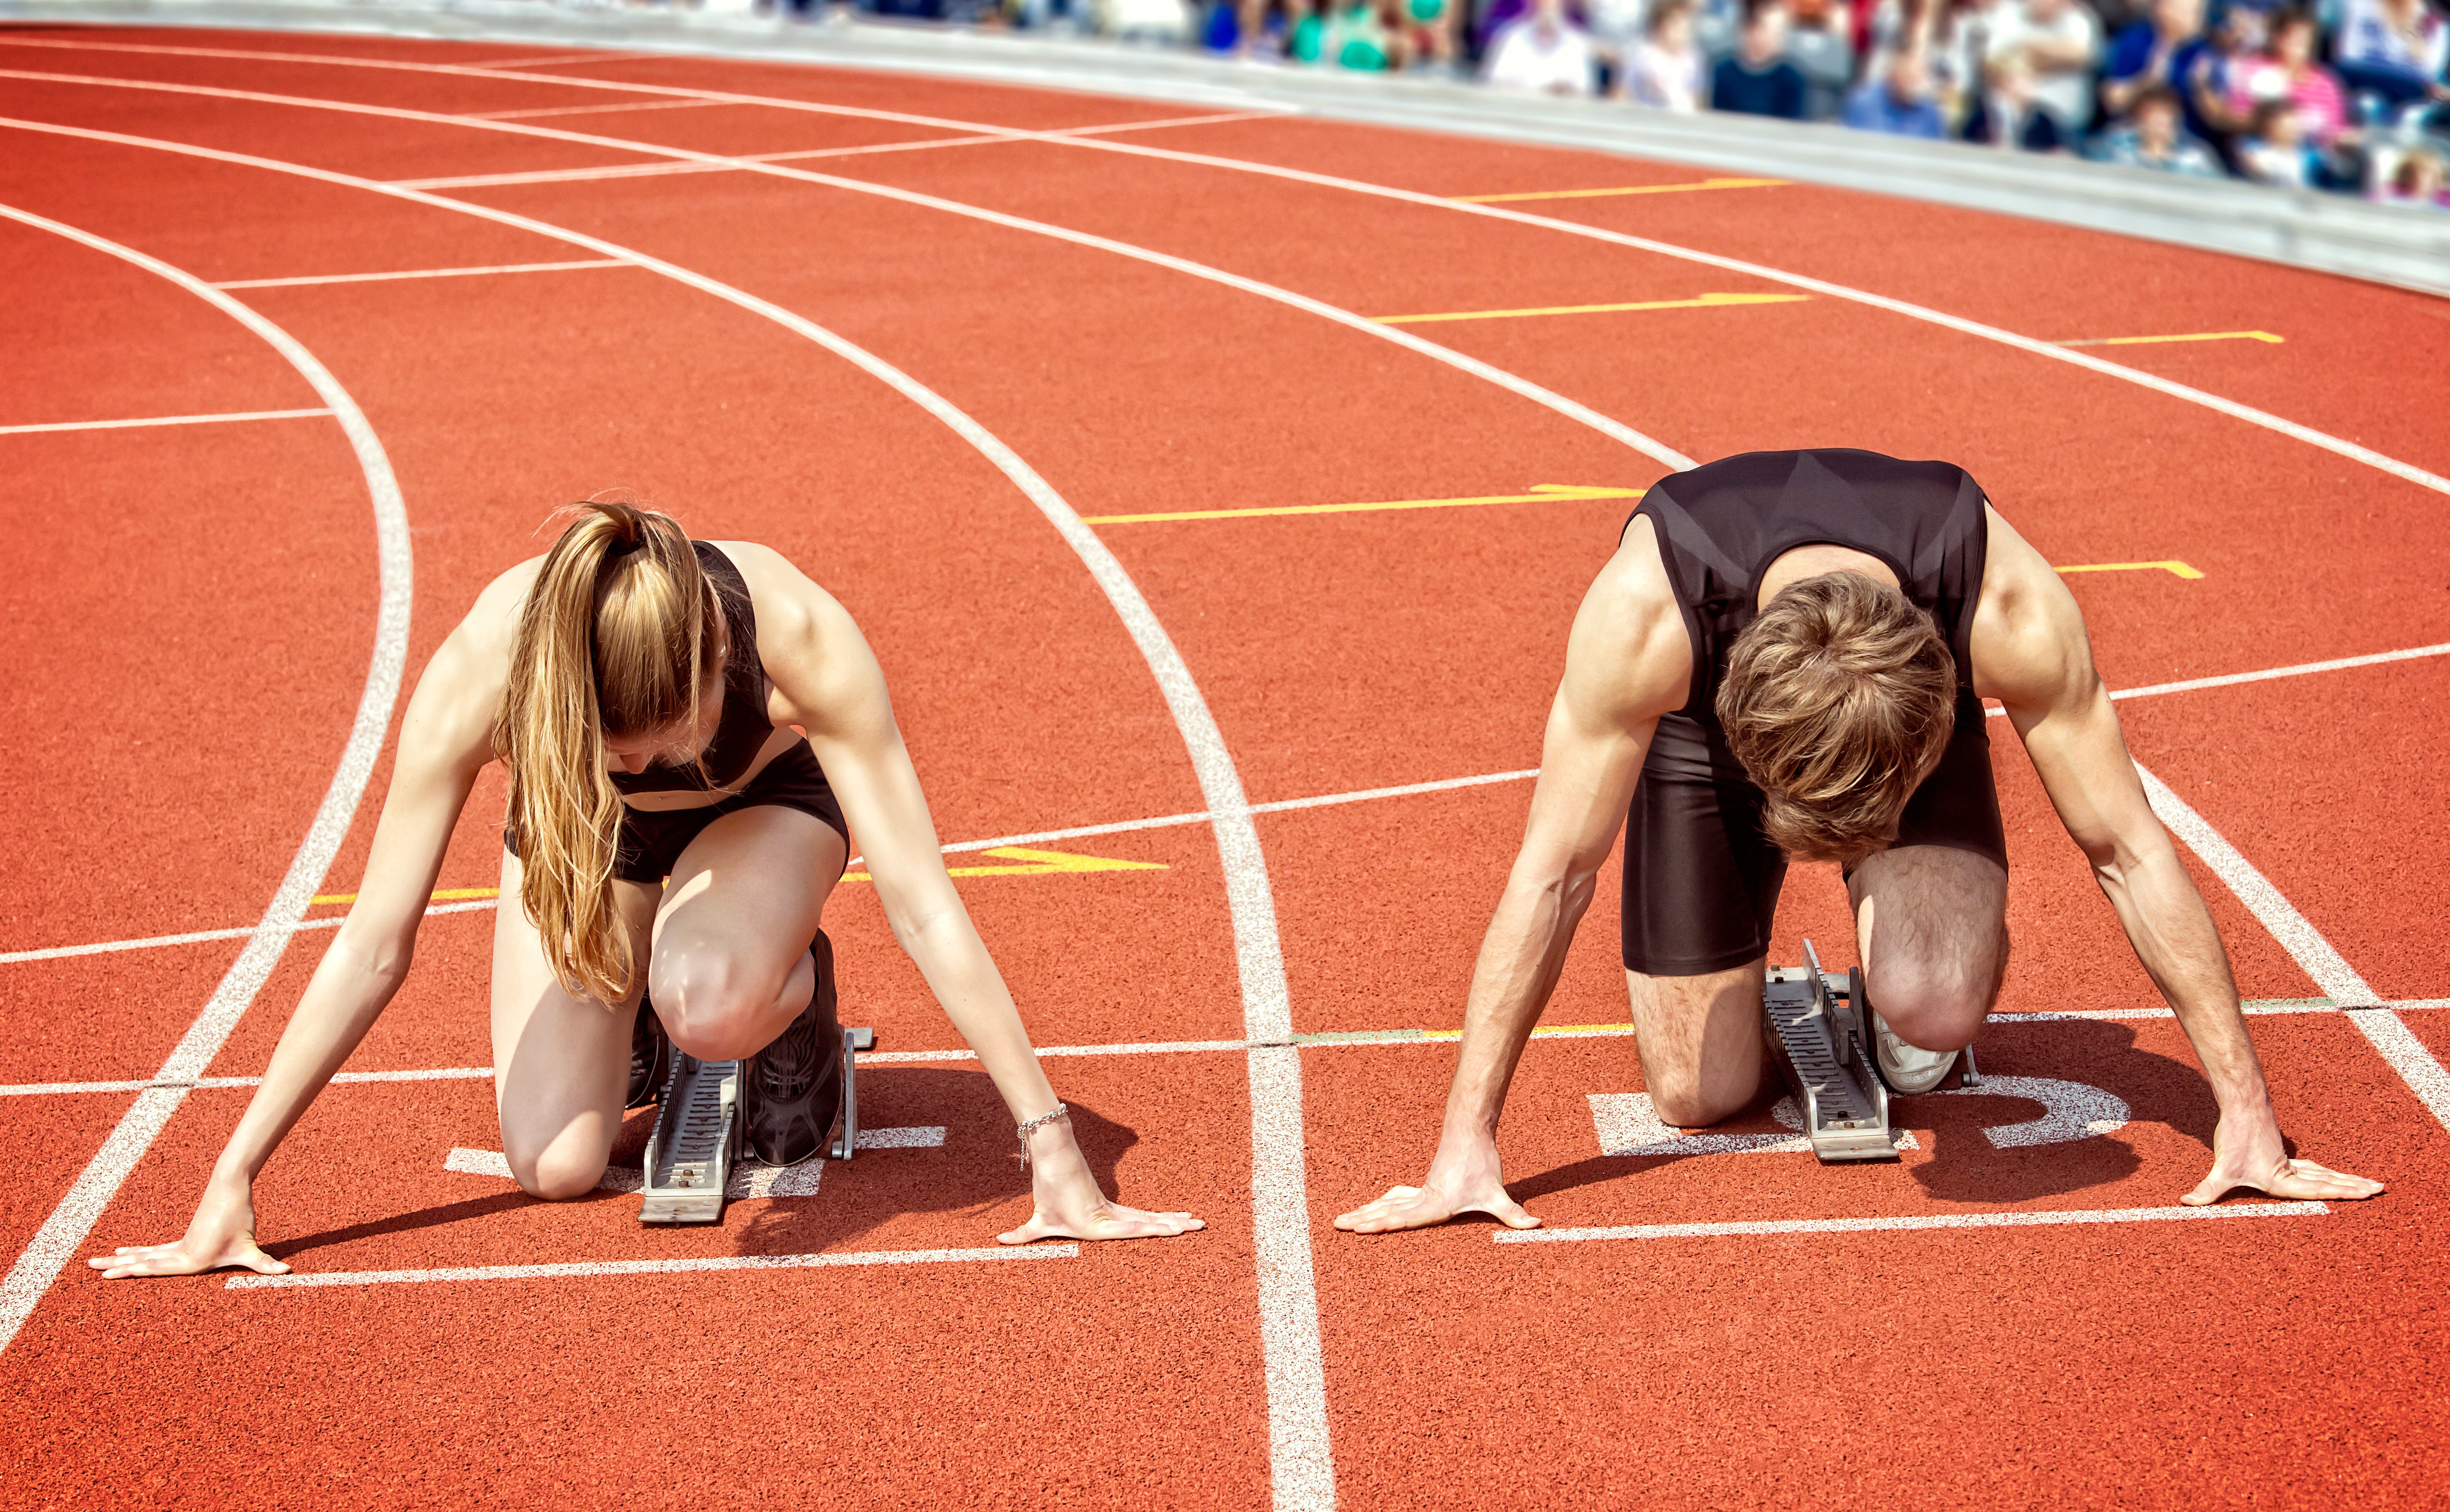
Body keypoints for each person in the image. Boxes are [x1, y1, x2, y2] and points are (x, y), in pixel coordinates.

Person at [91, 501, 1202, 1280]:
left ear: (715, 667)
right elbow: (377, 942)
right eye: (607, 748)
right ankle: (639, 999)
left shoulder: (797, 638)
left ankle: (782, 989)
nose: (634, 765)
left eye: (653, 744)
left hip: (763, 818)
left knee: (709, 999)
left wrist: (1054, 1155)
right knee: (554, 1164)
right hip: (588, 848)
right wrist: (234, 1177)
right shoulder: (484, 670)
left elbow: (921, 899)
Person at [1333, 449, 2384, 1236]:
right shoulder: (1643, 627)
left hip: (1894, 722)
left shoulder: (2004, 610)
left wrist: (2246, 1117)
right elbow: (1554, 873)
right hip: (1706, 729)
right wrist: (1463, 1143)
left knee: (1932, 1011)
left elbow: (2126, 848)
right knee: (1694, 1096)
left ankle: (1900, 979)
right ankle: (1769, 946)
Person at [1982, 0, 2104, 149]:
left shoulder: (2078, 19)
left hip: (2064, 123)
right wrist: (2057, 58)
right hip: (2011, 117)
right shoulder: (2008, 16)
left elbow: (2080, 54)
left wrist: (2026, 48)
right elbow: (1993, 64)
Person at [2230, 7, 2348, 147]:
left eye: (2307, 41)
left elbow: (2335, 134)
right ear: (2278, 39)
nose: (2302, 48)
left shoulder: (2327, 84)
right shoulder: (2255, 70)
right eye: (2296, 40)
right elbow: (2238, 117)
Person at [2087, 79, 2229, 167]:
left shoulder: (2196, 156)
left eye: (2166, 113)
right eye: (2151, 112)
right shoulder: (2112, 146)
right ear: (2138, 117)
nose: (2159, 119)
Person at [2101, 0, 2206, 116]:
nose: (2194, 18)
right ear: (2162, 8)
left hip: (2186, 130)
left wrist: (2202, 90)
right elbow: (2113, 101)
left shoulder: (2201, 51)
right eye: (2187, 11)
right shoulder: (2135, 39)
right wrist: (2146, 81)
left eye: (2196, 12)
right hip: (2134, 126)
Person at [1713, 0, 1813, 116]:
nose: (1781, 38)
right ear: (1753, 30)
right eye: (1775, 32)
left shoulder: (1793, 78)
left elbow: (1793, 126)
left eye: (1783, 32)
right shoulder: (1723, 71)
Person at [1484, 0, 1600, 93]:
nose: (1548, 5)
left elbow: (1585, 92)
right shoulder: (1513, 37)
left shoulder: (1575, 43)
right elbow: (1495, 83)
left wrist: (1565, 91)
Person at [1843, 44, 1952, 129]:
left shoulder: (1931, 114)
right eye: (1909, 78)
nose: (1914, 86)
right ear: (1893, 74)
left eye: (1918, 79)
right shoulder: (1863, 104)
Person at [1626, 0, 1711, 104]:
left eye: (1687, 25)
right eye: (1676, 24)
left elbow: (1698, 100)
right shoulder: (1643, 55)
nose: (1683, 30)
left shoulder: (1695, 59)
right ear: (1660, 27)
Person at [2235, 94, 2314, 180]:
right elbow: (2261, 171)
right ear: (2268, 127)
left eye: (2296, 125)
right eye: (2285, 127)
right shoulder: (2256, 153)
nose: (2294, 131)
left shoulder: (2308, 156)